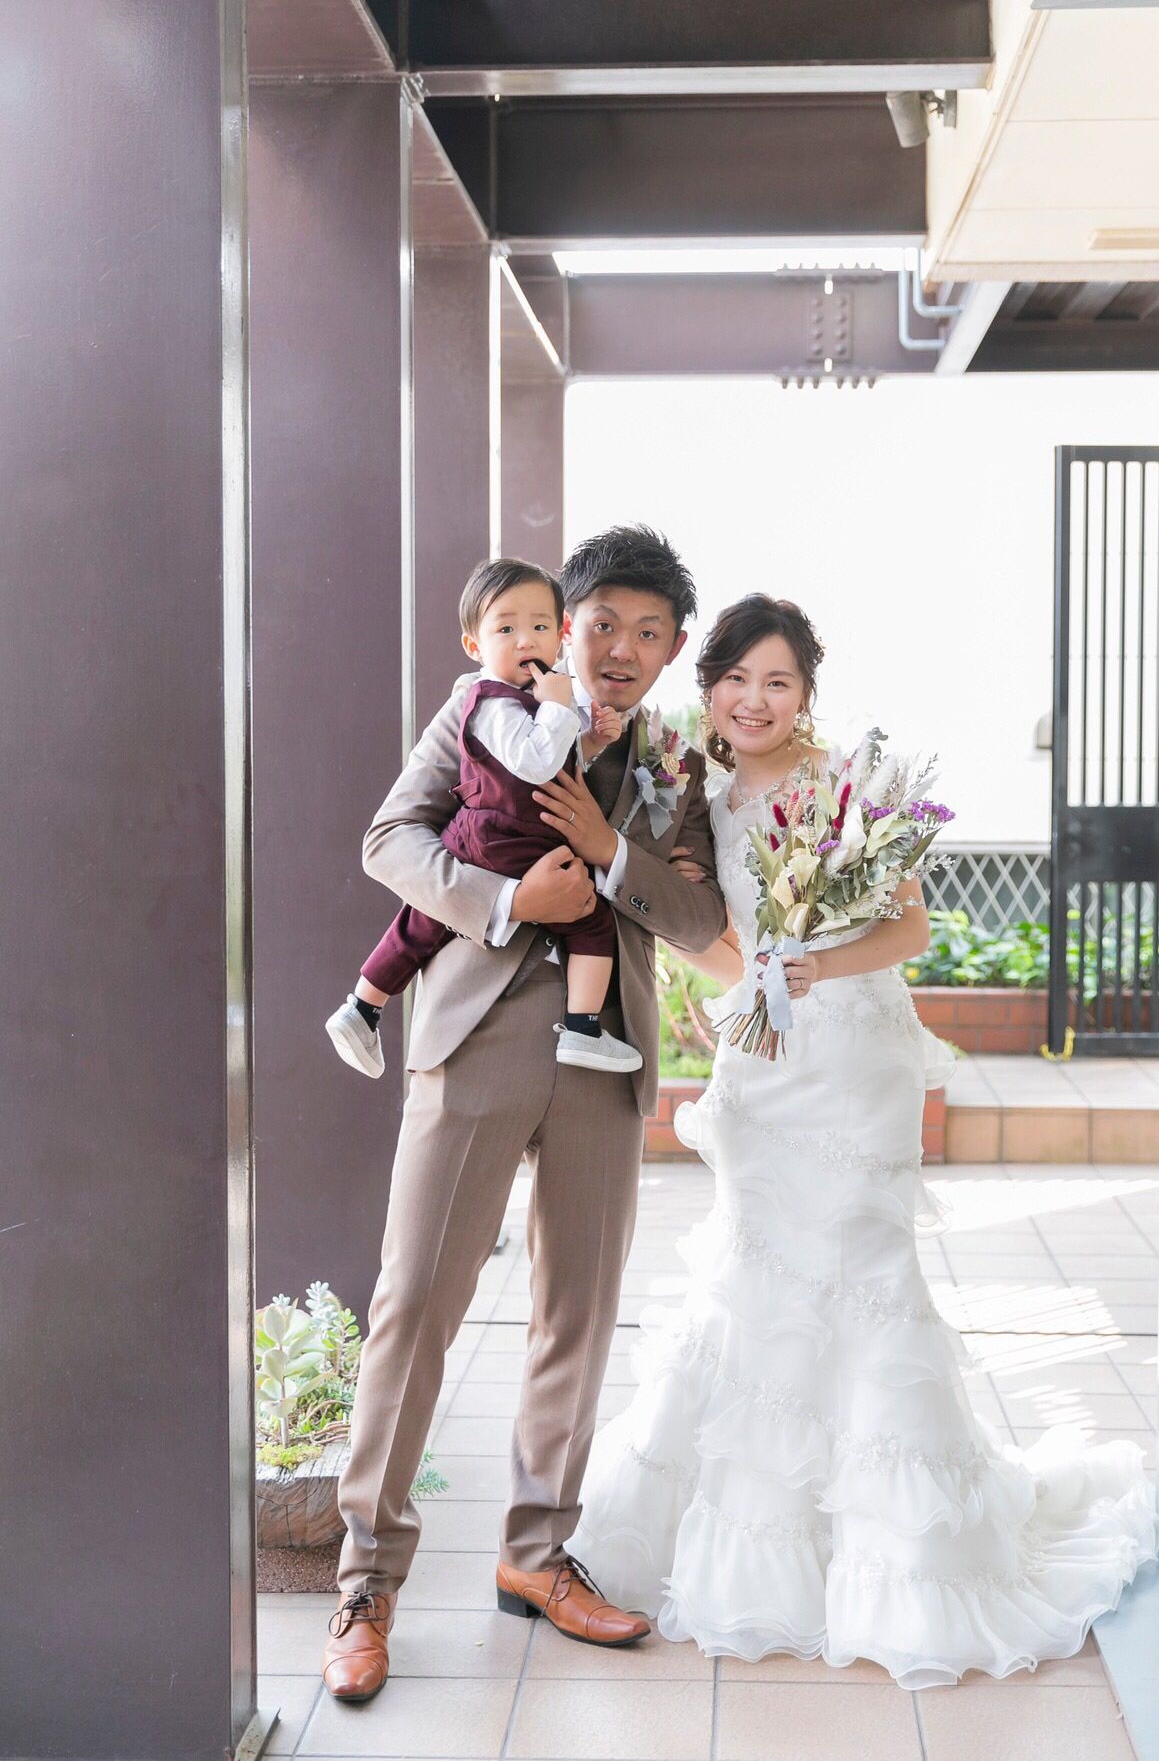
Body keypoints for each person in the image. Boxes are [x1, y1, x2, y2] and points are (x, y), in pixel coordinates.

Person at [569, 592, 1159, 1689]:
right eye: (736, 680)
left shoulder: (848, 782)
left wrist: (813, 967)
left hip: (852, 1061)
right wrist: (741, 978)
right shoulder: (697, 796)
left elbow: (913, 924)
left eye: (777, 681)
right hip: (763, 1061)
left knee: (862, 1273)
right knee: (757, 1273)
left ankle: (902, 1560)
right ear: (708, 688)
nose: (754, 700)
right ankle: (759, 1543)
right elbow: (714, 937)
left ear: (806, 692)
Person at [322, 526, 728, 1704]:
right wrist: (506, 898)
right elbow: (390, 839)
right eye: (602, 623)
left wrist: (611, 856)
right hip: (476, 1034)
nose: (620, 648)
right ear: (564, 622)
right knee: (415, 1305)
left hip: (606, 1053)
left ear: (673, 649)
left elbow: (700, 920)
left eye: (648, 632)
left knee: (577, 1314)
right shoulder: (477, 709)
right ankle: (366, 1580)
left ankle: (537, 1556)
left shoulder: (676, 764)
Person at [323, 557, 641, 1078]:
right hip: (508, 837)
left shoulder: (529, 700)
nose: (526, 640)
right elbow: (535, 763)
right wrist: (558, 709)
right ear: (475, 645)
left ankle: (362, 1008)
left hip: (491, 835)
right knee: (591, 921)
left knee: (423, 921)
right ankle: (583, 1028)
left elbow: (557, 758)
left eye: (539, 627)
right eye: (506, 629)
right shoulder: (494, 702)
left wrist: (590, 739)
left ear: (561, 633)